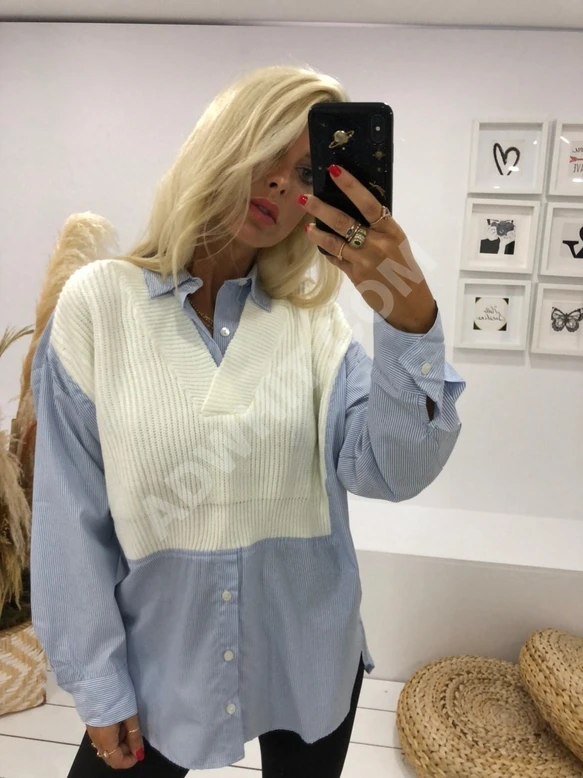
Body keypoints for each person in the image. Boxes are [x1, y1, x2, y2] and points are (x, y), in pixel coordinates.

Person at [29, 64, 467, 777]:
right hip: (160, 664)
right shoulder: (97, 307)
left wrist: (408, 318)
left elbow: (392, 471)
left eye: (308, 172)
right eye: (266, 150)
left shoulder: (315, 324)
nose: (281, 183)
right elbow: (68, 520)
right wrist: (98, 684)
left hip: (309, 657)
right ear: (221, 144)